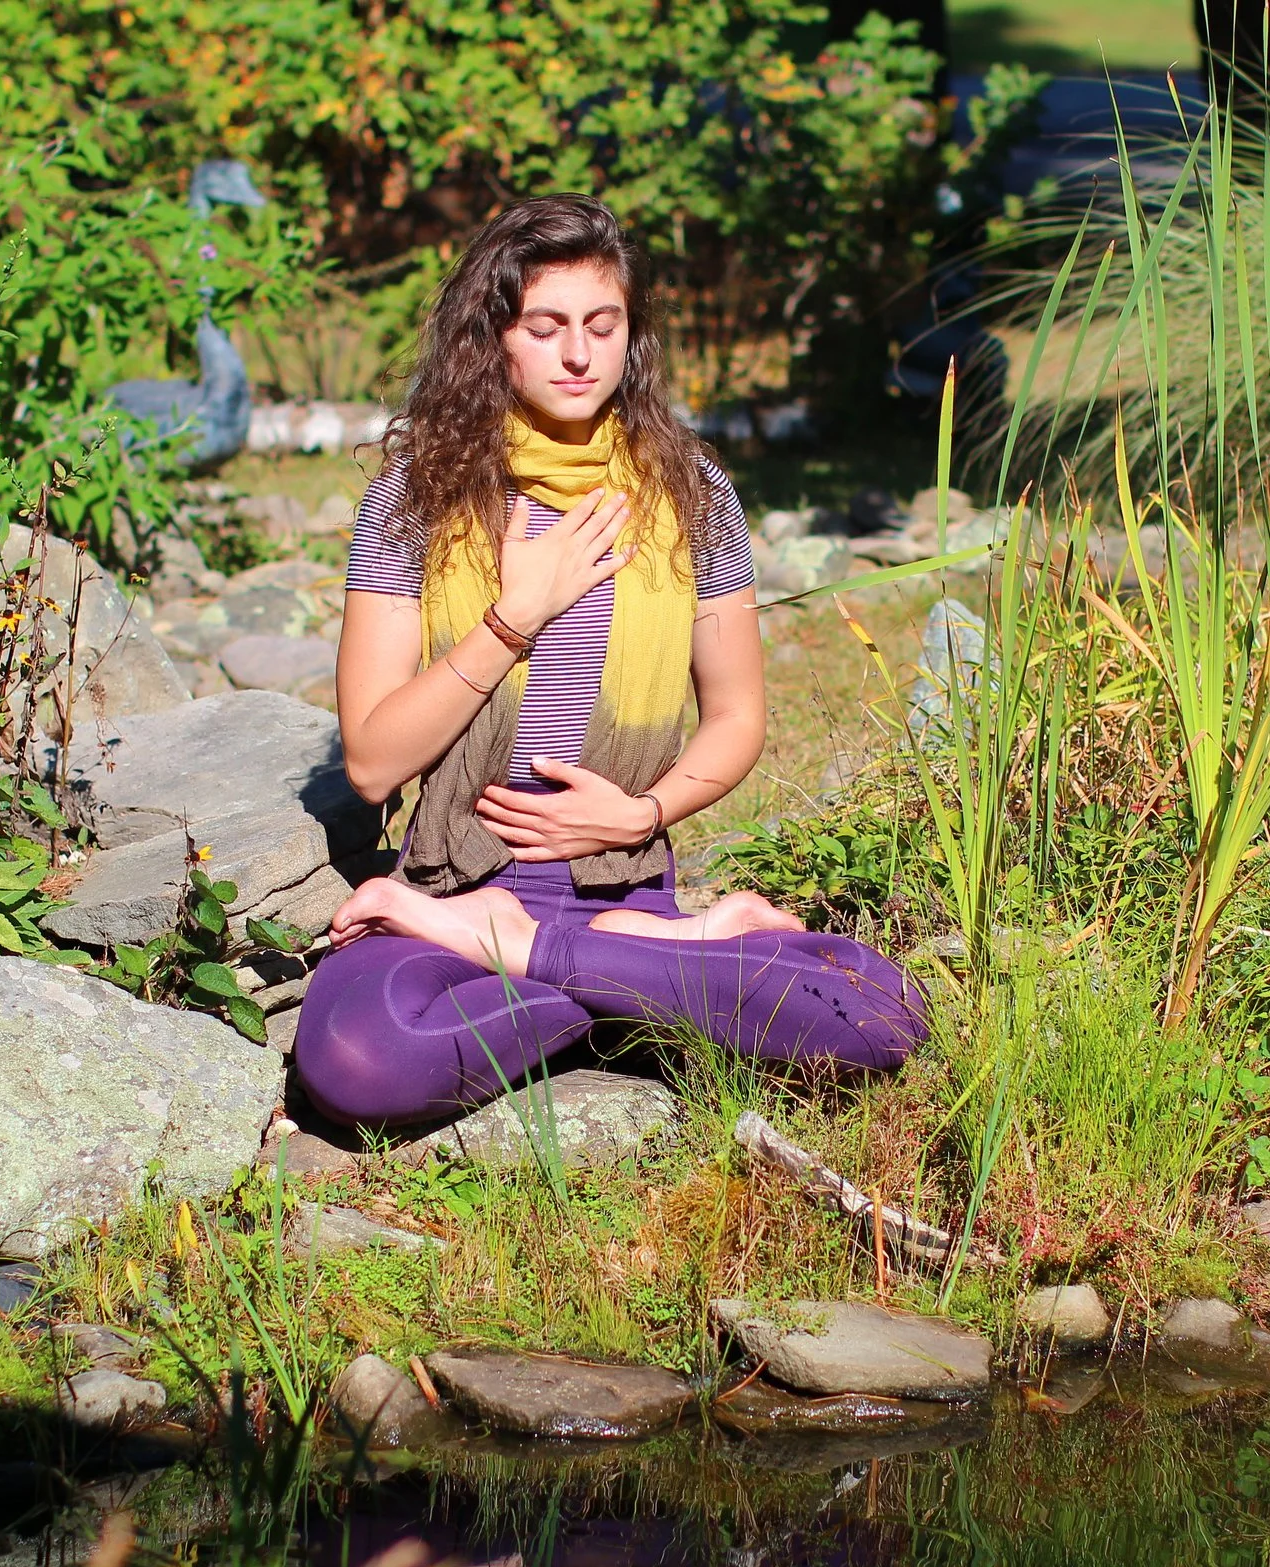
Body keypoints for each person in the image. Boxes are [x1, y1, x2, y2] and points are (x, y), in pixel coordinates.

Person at [293, 193, 926, 1127]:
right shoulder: (416, 495)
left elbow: (738, 716)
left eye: (603, 324)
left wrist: (644, 810)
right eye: (546, 328)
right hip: (456, 884)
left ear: (632, 334)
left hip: (617, 884)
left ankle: (536, 955)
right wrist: (514, 616)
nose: (580, 354)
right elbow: (375, 761)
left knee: (879, 1012)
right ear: (494, 337)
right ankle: (649, 983)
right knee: (357, 1060)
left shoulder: (691, 489)